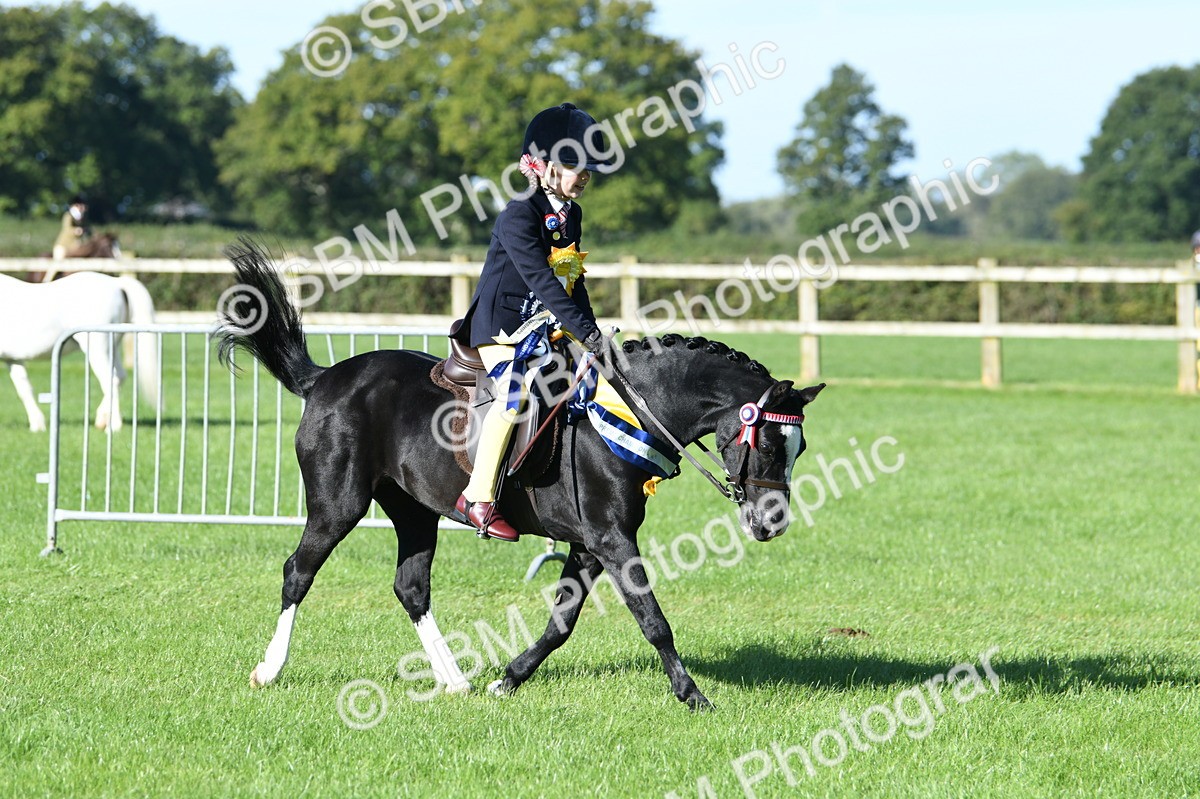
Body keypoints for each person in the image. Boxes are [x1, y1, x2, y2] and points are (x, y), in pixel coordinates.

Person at [453, 103, 609, 542]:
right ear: (543, 167)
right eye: (574, 166)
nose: (584, 176)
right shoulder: (518, 214)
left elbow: (572, 282)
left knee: (592, 382)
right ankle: (478, 496)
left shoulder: (571, 216)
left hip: (544, 325)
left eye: (587, 169)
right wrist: (585, 331)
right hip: (500, 328)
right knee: (515, 394)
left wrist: (594, 334)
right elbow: (543, 281)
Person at [53, 196, 91, 260]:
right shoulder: (68, 216)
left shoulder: (83, 219)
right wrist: (76, 231)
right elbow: (67, 229)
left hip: (76, 247)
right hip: (63, 246)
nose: (84, 209)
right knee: (57, 264)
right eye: (81, 206)